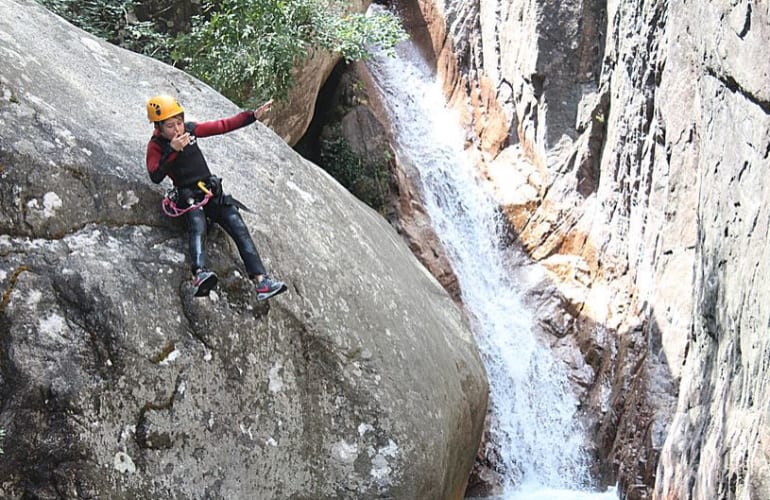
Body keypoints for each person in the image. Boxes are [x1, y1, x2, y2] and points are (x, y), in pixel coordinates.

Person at [144, 94, 287, 301]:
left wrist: (251, 116)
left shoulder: (191, 130)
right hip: (189, 198)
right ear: (158, 127)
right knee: (197, 224)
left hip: (210, 192)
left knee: (236, 224)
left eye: (179, 122)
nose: (177, 129)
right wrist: (172, 151)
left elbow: (221, 126)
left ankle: (261, 281)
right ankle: (200, 273)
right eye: (170, 126)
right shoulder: (156, 146)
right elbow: (155, 175)